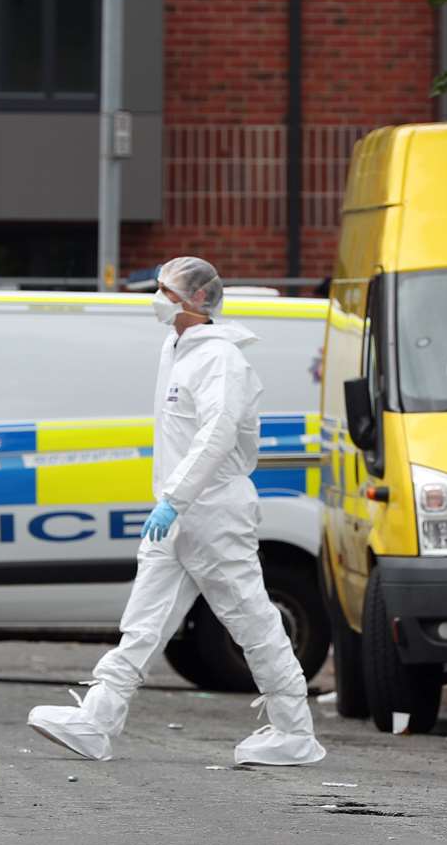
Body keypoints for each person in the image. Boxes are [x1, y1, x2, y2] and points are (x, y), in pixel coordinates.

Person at [25, 257, 326, 767]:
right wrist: (172, 502)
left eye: (163, 290)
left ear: (191, 301)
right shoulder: (180, 351)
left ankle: (294, 730)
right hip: (181, 512)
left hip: (213, 512)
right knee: (144, 620)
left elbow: (217, 433)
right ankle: (96, 720)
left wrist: (175, 499)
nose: (155, 297)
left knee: (250, 616)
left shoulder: (221, 361)